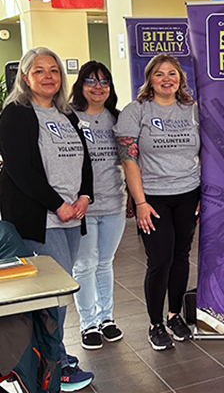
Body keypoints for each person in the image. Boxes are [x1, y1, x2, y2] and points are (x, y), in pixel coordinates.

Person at [0, 47, 95, 391]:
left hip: (71, 216)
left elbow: (83, 161)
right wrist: (58, 205)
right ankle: (54, 367)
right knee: (50, 299)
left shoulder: (66, 114)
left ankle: (56, 358)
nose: (48, 76)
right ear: (25, 77)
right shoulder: (15, 114)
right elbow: (19, 170)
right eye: (39, 70)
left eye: (53, 70)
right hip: (42, 220)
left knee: (60, 293)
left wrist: (85, 196)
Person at [114, 53, 201, 351]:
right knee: (160, 259)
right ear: (149, 79)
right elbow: (129, 160)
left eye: (172, 73)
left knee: (180, 257)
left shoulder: (192, 110)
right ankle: (155, 323)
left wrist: (204, 194)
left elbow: (207, 153)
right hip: (153, 198)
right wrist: (139, 202)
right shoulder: (136, 110)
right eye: (160, 74)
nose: (167, 79)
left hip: (188, 193)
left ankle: (175, 315)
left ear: (180, 79)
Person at [69, 61, 128, 351]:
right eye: (91, 81)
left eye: (104, 82)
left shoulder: (117, 119)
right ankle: (88, 323)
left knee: (105, 263)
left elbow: (129, 161)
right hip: (82, 207)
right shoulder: (69, 118)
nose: (98, 87)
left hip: (114, 203)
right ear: (81, 85)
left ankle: (106, 318)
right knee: (85, 265)